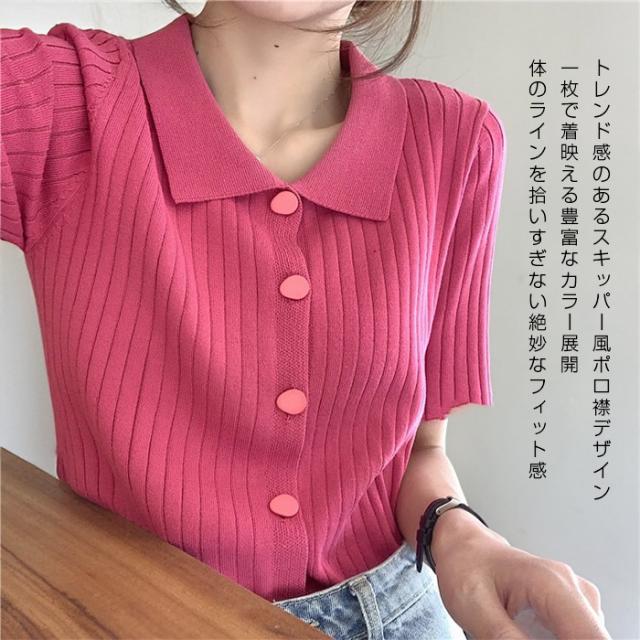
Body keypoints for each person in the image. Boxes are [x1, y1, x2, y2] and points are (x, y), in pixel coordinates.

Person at [0, 1, 610, 638]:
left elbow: (420, 450)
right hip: (133, 616)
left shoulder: (456, 139)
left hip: (395, 609)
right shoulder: (59, 101)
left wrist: (461, 538)